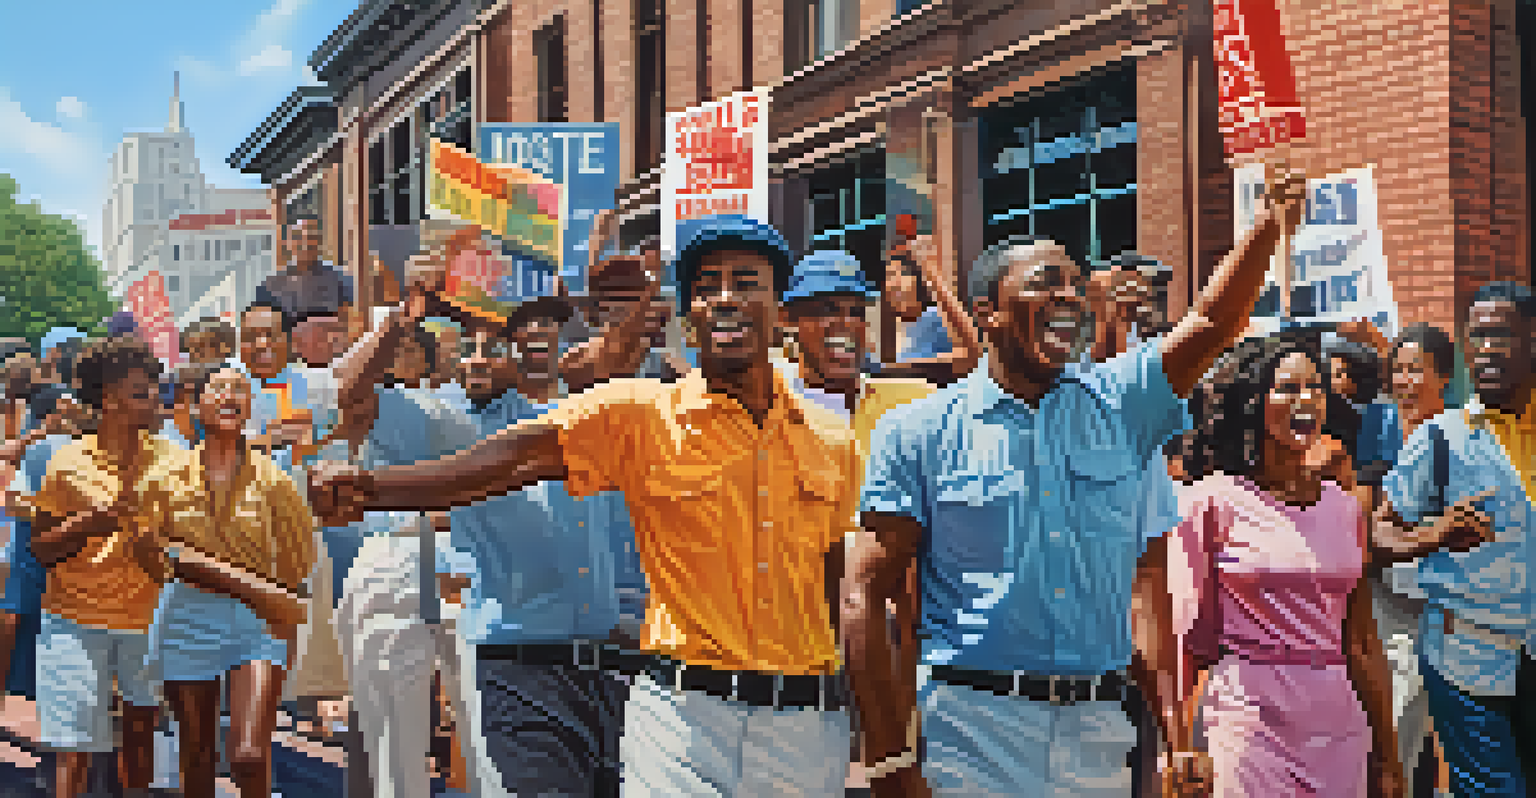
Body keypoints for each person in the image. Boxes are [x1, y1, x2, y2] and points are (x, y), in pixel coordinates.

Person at [312, 214, 860, 796]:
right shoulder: (637, 413)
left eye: (746, 282)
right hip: (672, 713)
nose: (724, 298)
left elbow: (831, 581)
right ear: (690, 314)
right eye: (705, 286)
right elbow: (513, 460)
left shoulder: (831, 437)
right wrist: (373, 488)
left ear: (780, 307)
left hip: (793, 723)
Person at [846, 167, 1307, 798]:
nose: (1069, 297)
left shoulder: (1122, 406)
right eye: (1046, 283)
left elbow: (1210, 324)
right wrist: (887, 759)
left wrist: (1264, 229)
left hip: (1099, 732)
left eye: (1074, 285)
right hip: (970, 730)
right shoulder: (917, 431)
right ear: (990, 314)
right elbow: (867, 593)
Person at [1159, 333, 1411, 797]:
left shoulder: (1345, 509)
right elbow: (1185, 641)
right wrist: (1175, 745)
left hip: (1339, 723)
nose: (1307, 400)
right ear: (1253, 402)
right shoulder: (1211, 502)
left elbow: (1361, 642)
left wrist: (1390, 757)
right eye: (1288, 388)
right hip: (1246, 718)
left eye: (1315, 388)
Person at [776, 249, 936, 789]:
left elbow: (982, 362)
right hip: (797, 638)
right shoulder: (771, 407)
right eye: (823, 310)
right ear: (790, 323)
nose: (841, 325)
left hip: (888, 641)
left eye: (851, 310)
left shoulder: (908, 402)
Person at [1373, 282, 1536, 797]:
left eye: (1501, 336)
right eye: (1477, 337)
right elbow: (1379, 532)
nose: (1485, 349)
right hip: (1467, 660)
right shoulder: (1440, 439)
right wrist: (1433, 535)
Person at [131, 366, 316, 798]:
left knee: (249, 756)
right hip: (187, 616)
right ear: (197, 406)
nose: (230, 396)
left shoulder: (275, 482)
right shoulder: (161, 480)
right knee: (196, 760)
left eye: (240, 391)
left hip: (256, 618)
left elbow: (296, 564)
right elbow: (147, 555)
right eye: (219, 389)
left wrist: (283, 628)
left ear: (249, 407)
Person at [23, 336, 171, 798]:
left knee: (140, 738)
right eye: (142, 392)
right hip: (73, 621)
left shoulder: (175, 462)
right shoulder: (65, 464)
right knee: (74, 747)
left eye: (154, 389)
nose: (156, 401)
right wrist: (92, 523)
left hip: (147, 621)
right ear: (109, 400)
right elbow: (42, 549)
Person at [880, 221, 982, 384]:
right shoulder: (903, 327)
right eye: (889, 276)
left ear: (919, 281)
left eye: (900, 275)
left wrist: (930, 270)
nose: (892, 284)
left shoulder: (934, 317)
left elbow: (974, 355)